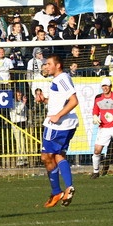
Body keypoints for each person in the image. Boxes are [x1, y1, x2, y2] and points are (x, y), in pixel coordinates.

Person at [35, 54, 78, 208]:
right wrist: (45, 100)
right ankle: (68, 188)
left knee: (46, 157)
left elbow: (74, 100)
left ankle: (56, 191)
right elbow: (62, 100)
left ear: (57, 65)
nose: (46, 66)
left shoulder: (62, 78)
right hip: (65, 124)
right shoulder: (59, 80)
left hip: (57, 125)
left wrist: (57, 116)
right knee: (59, 154)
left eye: (48, 64)